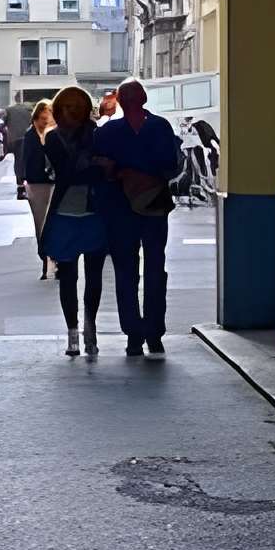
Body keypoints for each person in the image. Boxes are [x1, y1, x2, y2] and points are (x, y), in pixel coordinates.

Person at [95, 77, 182, 356]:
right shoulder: (159, 127)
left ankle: (136, 335)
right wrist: (146, 174)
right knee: (154, 268)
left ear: (119, 101)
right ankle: (151, 333)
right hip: (153, 205)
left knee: (127, 272)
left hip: (121, 207)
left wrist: (122, 171)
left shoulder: (110, 132)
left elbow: (100, 169)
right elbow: (170, 166)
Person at [42, 84, 109, 356]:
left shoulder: (96, 135)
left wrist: (91, 168)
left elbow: (91, 174)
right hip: (65, 215)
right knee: (67, 277)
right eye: (67, 107)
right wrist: (93, 164)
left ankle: (90, 327)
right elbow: (68, 173)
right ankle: (72, 331)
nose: (72, 112)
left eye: (78, 107)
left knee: (94, 276)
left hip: (94, 214)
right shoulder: (53, 137)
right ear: (58, 109)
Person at [15, 97, 55, 281]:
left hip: (53, 183)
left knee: (53, 222)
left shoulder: (54, 134)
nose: (45, 122)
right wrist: (21, 182)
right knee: (40, 224)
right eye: (42, 119)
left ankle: (55, 260)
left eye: (48, 118)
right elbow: (23, 161)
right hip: (36, 184)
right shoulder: (30, 136)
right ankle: (45, 259)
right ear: (36, 118)